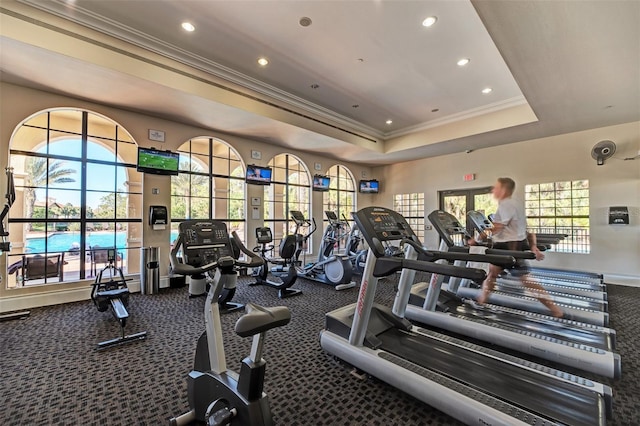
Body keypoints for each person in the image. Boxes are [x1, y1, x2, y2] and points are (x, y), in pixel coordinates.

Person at [468, 177, 564, 318]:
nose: (494, 190)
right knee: (492, 274)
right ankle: (482, 301)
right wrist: (533, 246)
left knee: (526, 281)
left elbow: (498, 227)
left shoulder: (506, 204)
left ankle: (556, 310)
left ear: (504, 190)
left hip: (506, 248)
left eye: (496, 187)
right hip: (513, 246)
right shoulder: (517, 204)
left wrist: (476, 239)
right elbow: (529, 230)